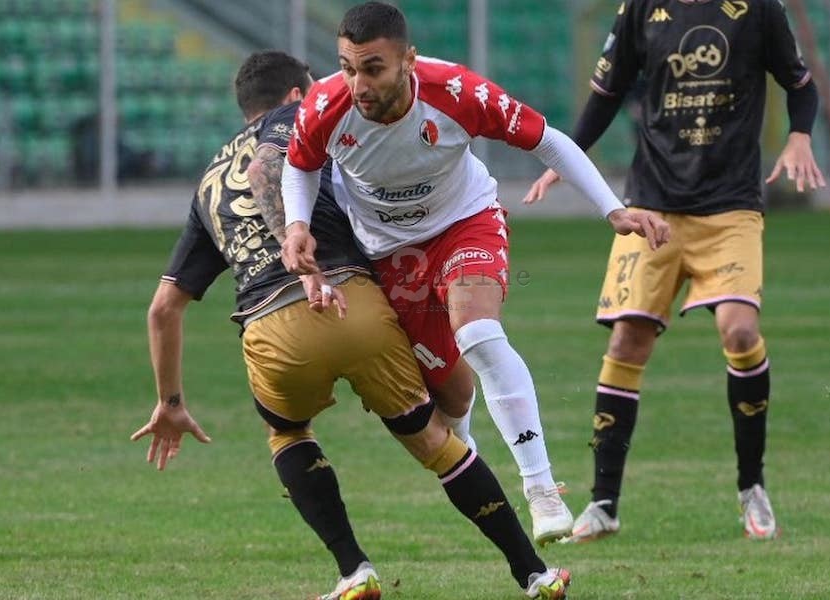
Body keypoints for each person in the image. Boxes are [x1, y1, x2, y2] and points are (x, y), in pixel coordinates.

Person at [130, 50, 571, 600]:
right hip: (350, 303)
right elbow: (268, 166)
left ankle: (353, 570)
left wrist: (170, 402)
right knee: (438, 444)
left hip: (271, 331)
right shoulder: (302, 115)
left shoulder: (208, 184)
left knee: (288, 433)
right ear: (297, 95)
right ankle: (534, 574)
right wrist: (307, 266)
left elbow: (163, 307)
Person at [279, 1, 670, 547]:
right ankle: (471, 465)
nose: (358, 84)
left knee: (478, 332)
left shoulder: (457, 93)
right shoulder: (326, 104)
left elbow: (547, 139)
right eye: (347, 67)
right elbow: (299, 166)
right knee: (452, 399)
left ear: (408, 61)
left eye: (372, 68)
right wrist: (297, 226)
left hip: (465, 222)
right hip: (390, 254)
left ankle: (541, 488)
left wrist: (613, 209)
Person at [524, 0, 826, 543]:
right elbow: (608, 92)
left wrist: (800, 135)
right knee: (627, 341)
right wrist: (566, 158)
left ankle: (752, 487)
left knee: (740, 331)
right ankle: (604, 503)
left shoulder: (759, 8)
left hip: (730, 206)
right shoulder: (641, 8)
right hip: (653, 205)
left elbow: (801, 85)